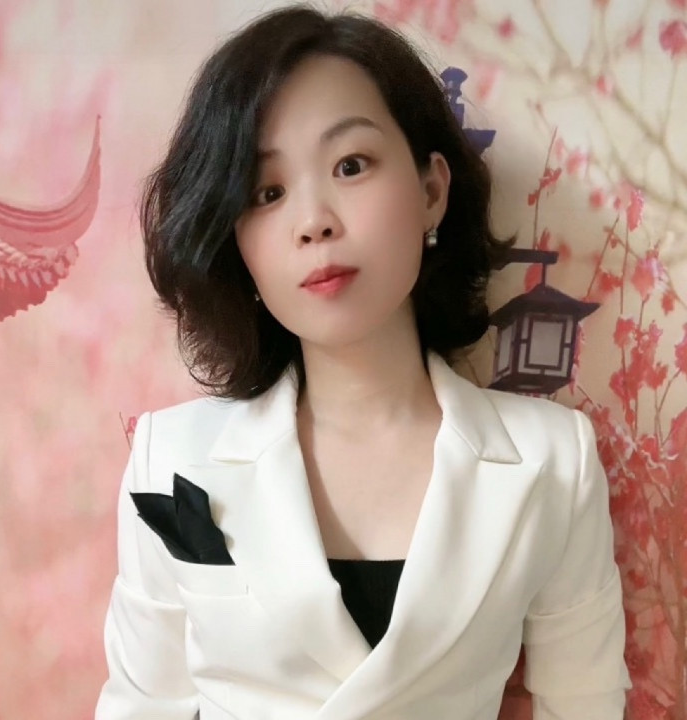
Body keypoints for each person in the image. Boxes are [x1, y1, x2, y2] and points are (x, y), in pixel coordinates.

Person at [95, 4, 631, 719]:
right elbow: (141, 706)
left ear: (432, 191)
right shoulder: (171, 458)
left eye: (351, 165)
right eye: (267, 192)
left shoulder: (553, 462)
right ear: (236, 239)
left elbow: (585, 705)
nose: (314, 220)